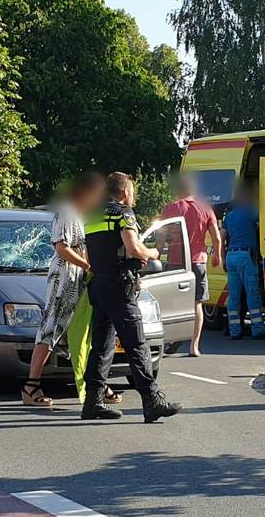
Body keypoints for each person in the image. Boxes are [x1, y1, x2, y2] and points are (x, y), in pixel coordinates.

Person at [81, 172, 182, 422]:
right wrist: (154, 252)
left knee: (102, 345)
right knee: (137, 344)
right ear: (125, 191)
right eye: (133, 192)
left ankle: (93, 401)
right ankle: (152, 399)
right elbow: (133, 247)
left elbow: (85, 252)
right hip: (119, 285)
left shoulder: (91, 215)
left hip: (99, 284)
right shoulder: (123, 213)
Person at [22, 172, 113, 407]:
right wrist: (87, 265)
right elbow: (62, 247)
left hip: (79, 279)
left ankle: (98, 384)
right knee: (51, 329)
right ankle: (31, 386)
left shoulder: (81, 215)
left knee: (84, 333)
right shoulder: (66, 211)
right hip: (64, 279)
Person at [160, 175, 222, 356]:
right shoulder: (205, 209)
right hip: (198, 261)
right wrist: (217, 256)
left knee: (172, 304)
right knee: (197, 304)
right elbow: (216, 237)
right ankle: (194, 346)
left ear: (179, 190)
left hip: (175, 261)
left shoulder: (171, 208)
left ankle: (172, 339)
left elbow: (161, 235)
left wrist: (157, 251)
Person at [221, 184, 265, 340]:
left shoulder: (229, 217)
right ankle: (258, 330)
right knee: (252, 293)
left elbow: (221, 238)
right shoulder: (252, 211)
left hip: (231, 256)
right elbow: (264, 228)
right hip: (245, 256)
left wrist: (222, 259)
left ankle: (234, 331)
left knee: (233, 296)